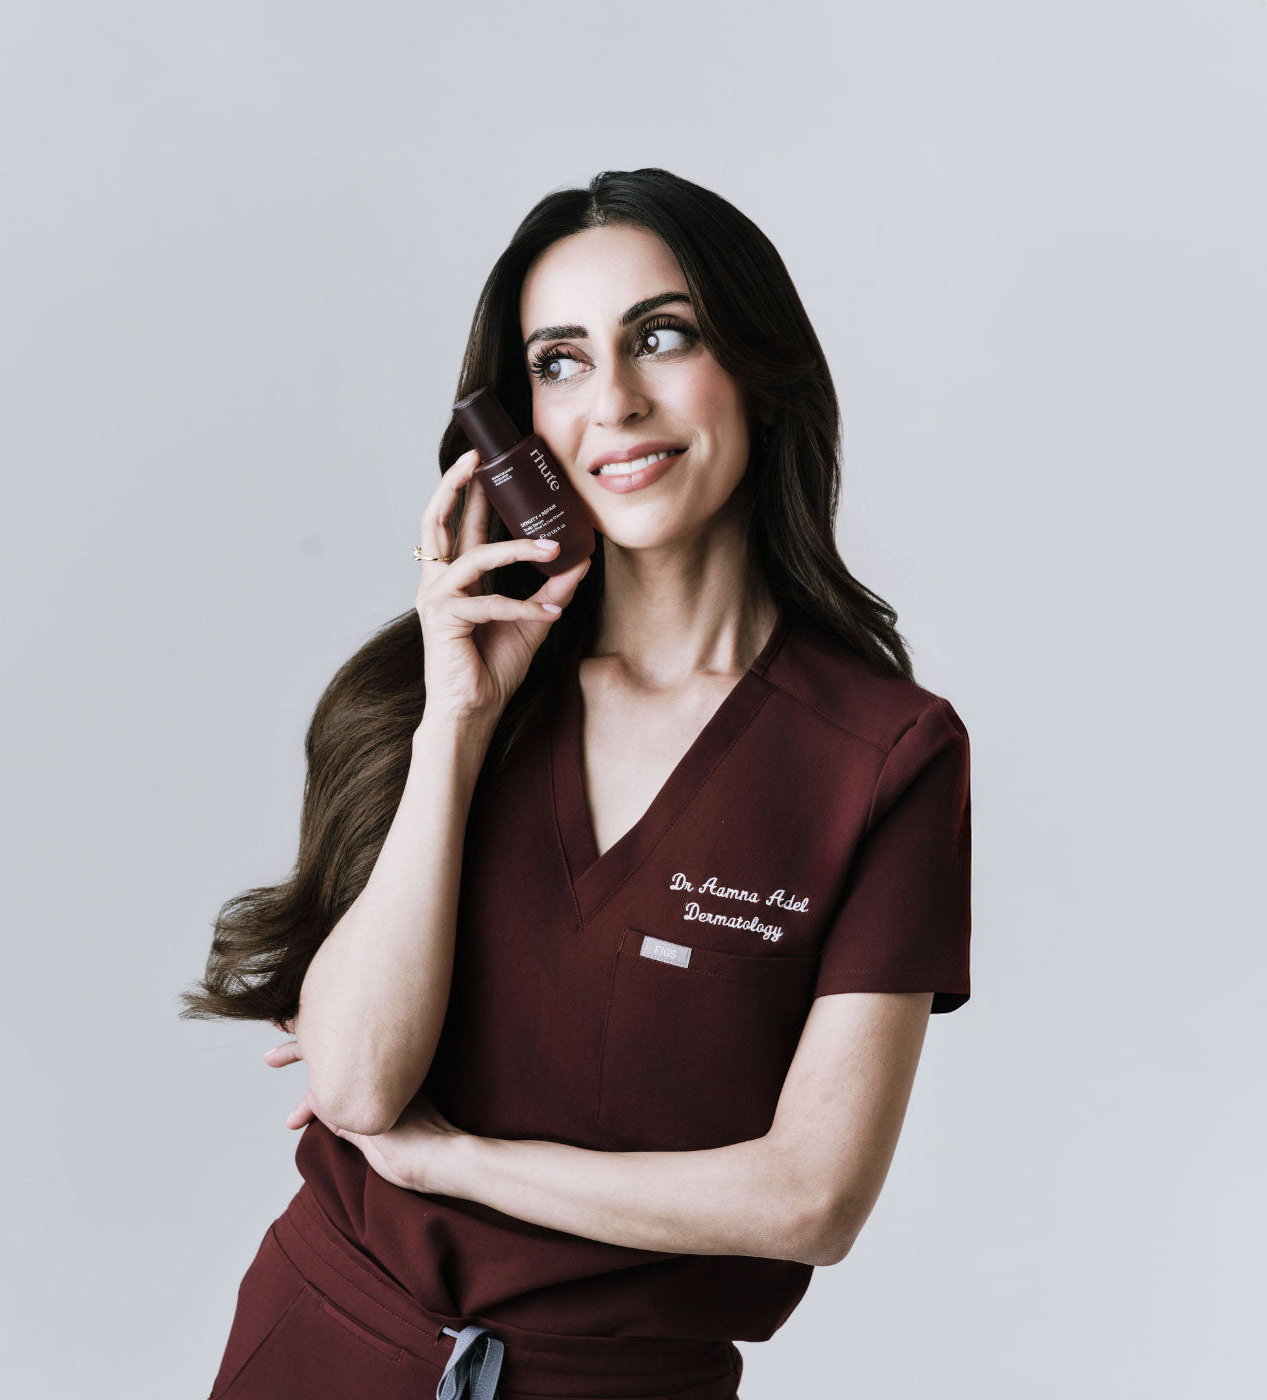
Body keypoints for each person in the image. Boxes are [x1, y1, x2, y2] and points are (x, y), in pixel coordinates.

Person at [183, 166, 973, 1400]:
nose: (612, 400)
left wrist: (455, 1162)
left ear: (757, 371)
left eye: (662, 337)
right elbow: (352, 1084)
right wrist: (457, 716)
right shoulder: (437, 695)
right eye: (557, 362)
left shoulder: (883, 755)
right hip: (320, 1342)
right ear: (517, 424)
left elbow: (807, 1198)